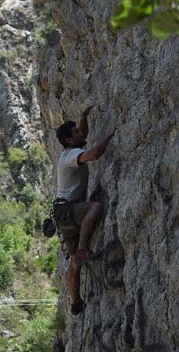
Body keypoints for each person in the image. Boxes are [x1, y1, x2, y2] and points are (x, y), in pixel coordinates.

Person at [54, 105, 115, 315]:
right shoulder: (71, 155)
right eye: (77, 132)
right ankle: (83, 247)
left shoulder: (69, 151)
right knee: (95, 208)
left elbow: (83, 134)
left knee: (75, 264)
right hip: (69, 211)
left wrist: (83, 115)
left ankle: (76, 301)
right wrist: (111, 134)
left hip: (62, 214)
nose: (82, 133)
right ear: (70, 141)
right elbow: (95, 154)